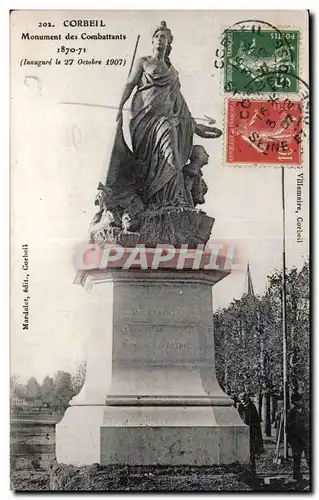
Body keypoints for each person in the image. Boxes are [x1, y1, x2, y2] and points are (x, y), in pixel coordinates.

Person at [115, 21, 221, 209]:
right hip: (143, 118)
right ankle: (152, 202)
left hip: (166, 119)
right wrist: (119, 106)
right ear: (153, 41)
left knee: (171, 153)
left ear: (169, 41)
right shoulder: (143, 61)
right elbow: (130, 84)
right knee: (147, 163)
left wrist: (197, 127)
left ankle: (170, 199)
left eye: (163, 37)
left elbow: (179, 102)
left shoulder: (173, 72)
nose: (159, 39)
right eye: (156, 36)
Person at [286, 393, 310, 482]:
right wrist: (290, 440)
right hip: (296, 440)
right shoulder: (292, 412)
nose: (300, 402)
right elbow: (287, 427)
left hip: (306, 438)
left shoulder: (305, 410)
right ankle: (297, 476)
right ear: (294, 402)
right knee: (297, 458)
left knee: (309, 457)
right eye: (298, 401)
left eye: (300, 400)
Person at [238, 392, 264, 469]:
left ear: (247, 398)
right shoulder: (240, 407)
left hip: (251, 432)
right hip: (242, 431)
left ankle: (252, 468)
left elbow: (256, 421)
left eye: (243, 399)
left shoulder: (251, 407)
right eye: (241, 400)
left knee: (251, 451)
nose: (242, 401)